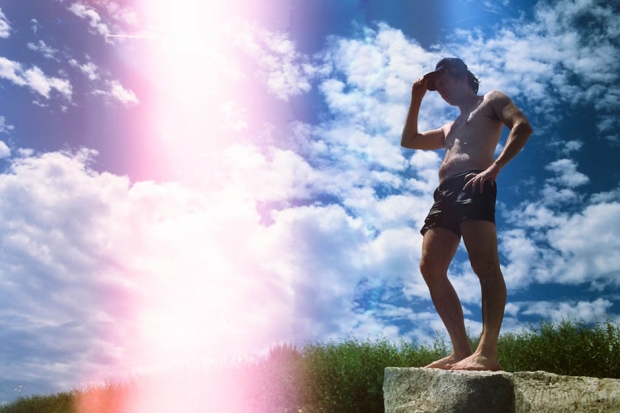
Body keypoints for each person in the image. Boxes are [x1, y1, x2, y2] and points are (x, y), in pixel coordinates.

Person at [401, 58, 533, 371]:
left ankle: (487, 352)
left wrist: (495, 167)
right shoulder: (449, 128)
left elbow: (522, 127)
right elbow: (409, 140)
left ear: (459, 75)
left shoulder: (492, 100)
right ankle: (461, 350)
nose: (439, 89)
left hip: (476, 182)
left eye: (441, 80)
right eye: (435, 87)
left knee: (484, 262)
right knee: (430, 266)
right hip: (445, 194)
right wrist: (417, 97)